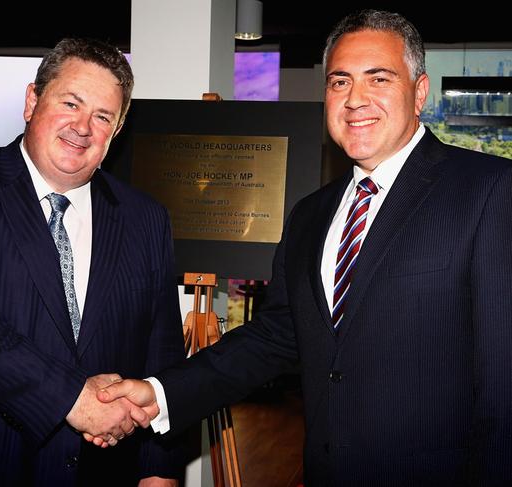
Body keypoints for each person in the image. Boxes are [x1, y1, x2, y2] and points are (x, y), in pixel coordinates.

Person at [96, 10, 512, 486]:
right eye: (339, 82)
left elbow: (504, 382)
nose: (355, 99)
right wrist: (161, 393)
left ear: (419, 91)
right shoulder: (310, 215)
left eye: (378, 78)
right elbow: (275, 337)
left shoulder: (488, 192)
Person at [0, 38, 184, 486]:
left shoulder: (147, 219)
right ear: (32, 100)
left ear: (117, 130)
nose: (83, 127)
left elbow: (160, 347)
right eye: (71, 103)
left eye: (103, 116)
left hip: (101, 471)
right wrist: (72, 398)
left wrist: (158, 470)